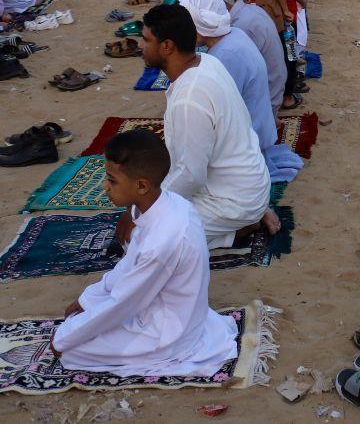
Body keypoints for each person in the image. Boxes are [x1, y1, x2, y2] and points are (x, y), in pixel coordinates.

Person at [51, 130, 238, 376]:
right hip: (168, 309)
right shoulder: (169, 204)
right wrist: (88, 299)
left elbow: (124, 303)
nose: (105, 187)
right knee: (80, 322)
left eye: (112, 180)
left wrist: (64, 340)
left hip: (168, 334)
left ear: (141, 185)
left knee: (72, 351)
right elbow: (130, 266)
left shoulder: (162, 241)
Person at [135, 3, 278, 248]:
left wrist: (148, 209)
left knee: (140, 237)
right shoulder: (207, 62)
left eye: (146, 40)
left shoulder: (190, 97)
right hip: (247, 186)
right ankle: (244, 219)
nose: (140, 46)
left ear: (167, 47)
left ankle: (239, 226)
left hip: (233, 201)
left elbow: (190, 175)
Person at [179, 0, 303, 182]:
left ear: (198, 25)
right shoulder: (234, 35)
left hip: (249, 139)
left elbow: (219, 112)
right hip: (260, 122)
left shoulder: (225, 54)